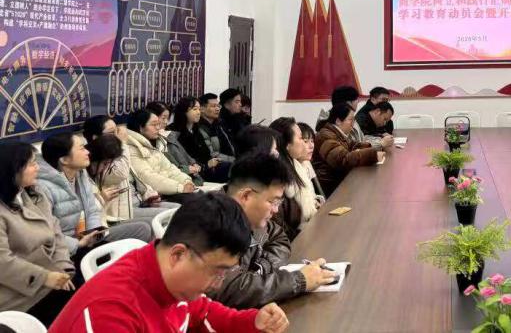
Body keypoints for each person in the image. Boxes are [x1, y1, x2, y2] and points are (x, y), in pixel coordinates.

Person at [48, 192, 289, 333]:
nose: (218, 283)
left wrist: (252, 321)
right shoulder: (110, 312)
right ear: (178, 254)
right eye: (217, 272)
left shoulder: (172, 280)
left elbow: (203, 312)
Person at [209, 153, 335, 308]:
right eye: (272, 202)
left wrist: (262, 267)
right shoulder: (212, 222)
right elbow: (230, 289)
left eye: (278, 203)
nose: (276, 210)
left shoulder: (250, 216)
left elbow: (279, 237)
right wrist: (299, 280)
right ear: (246, 196)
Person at [36, 132, 152, 262]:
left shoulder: (80, 173)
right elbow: (45, 233)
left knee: (142, 229)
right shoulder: (42, 187)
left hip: (86, 237)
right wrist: (77, 244)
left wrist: (94, 234)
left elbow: (92, 210)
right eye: (81, 149)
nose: (87, 152)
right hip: (66, 248)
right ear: (64, 160)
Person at [0, 143, 75, 326]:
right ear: (13, 170)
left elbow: (56, 232)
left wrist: (63, 266)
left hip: (52, 277)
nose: (38, 168)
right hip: (18, 295)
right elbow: (2, 262)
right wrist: (45, 277)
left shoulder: (34, 194)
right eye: (32, 164)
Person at [87, 131, 179, 225]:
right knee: (166, 217)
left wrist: (147, 195)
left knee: (178, 209)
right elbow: (122, 173)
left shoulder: (113, 160)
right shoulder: (111, 164)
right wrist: (122, 143)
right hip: (123, 212)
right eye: (111, 132)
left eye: (116, 131)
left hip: (140, 202)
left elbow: (139, 179)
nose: (117, 135)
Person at [125, 108, 198, 204]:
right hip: (150, 198)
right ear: (140, 127)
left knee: (202, 198)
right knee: (195, 202)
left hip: (167, 191)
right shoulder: (131, 149)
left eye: (158, 124)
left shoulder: (154, 144)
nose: (158, 128)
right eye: (153, 125)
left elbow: (170, 169)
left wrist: (186, 181)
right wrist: (180, 187)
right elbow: (148, 178)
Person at [269, 117, 325, 240]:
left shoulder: (297, 166)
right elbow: (279, 228)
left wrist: (314, 204)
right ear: (287, 145)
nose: (306, 145)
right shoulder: (277, 177)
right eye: (301, 139)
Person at [313, 102, 383, 196]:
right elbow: (343, 159)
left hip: (341, 179)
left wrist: (372, 146)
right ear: (338, 121)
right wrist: (373, 155)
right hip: (331, 186)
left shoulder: (337, 133)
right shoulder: (325, 136)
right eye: (351, 120)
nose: (353, 124)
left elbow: (352, 146)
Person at [169, 96, 231, 183]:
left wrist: (211, 162)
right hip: (191, 173)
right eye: (194, 109)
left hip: (205, 169)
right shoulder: (174, 132)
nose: (198, 112)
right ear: (184, 111)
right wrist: (206, 165)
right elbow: (183, 159)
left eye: (199, 109)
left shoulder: (196, 130)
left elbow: (206, 153)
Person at [200, 92, 238, 159]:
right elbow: (211, 154)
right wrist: (235, 160)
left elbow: (230, 145)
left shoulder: (219, 125)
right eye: (213, 106)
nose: (217, 109)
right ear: (202, 109)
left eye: (218, 106)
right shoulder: (200, 128)